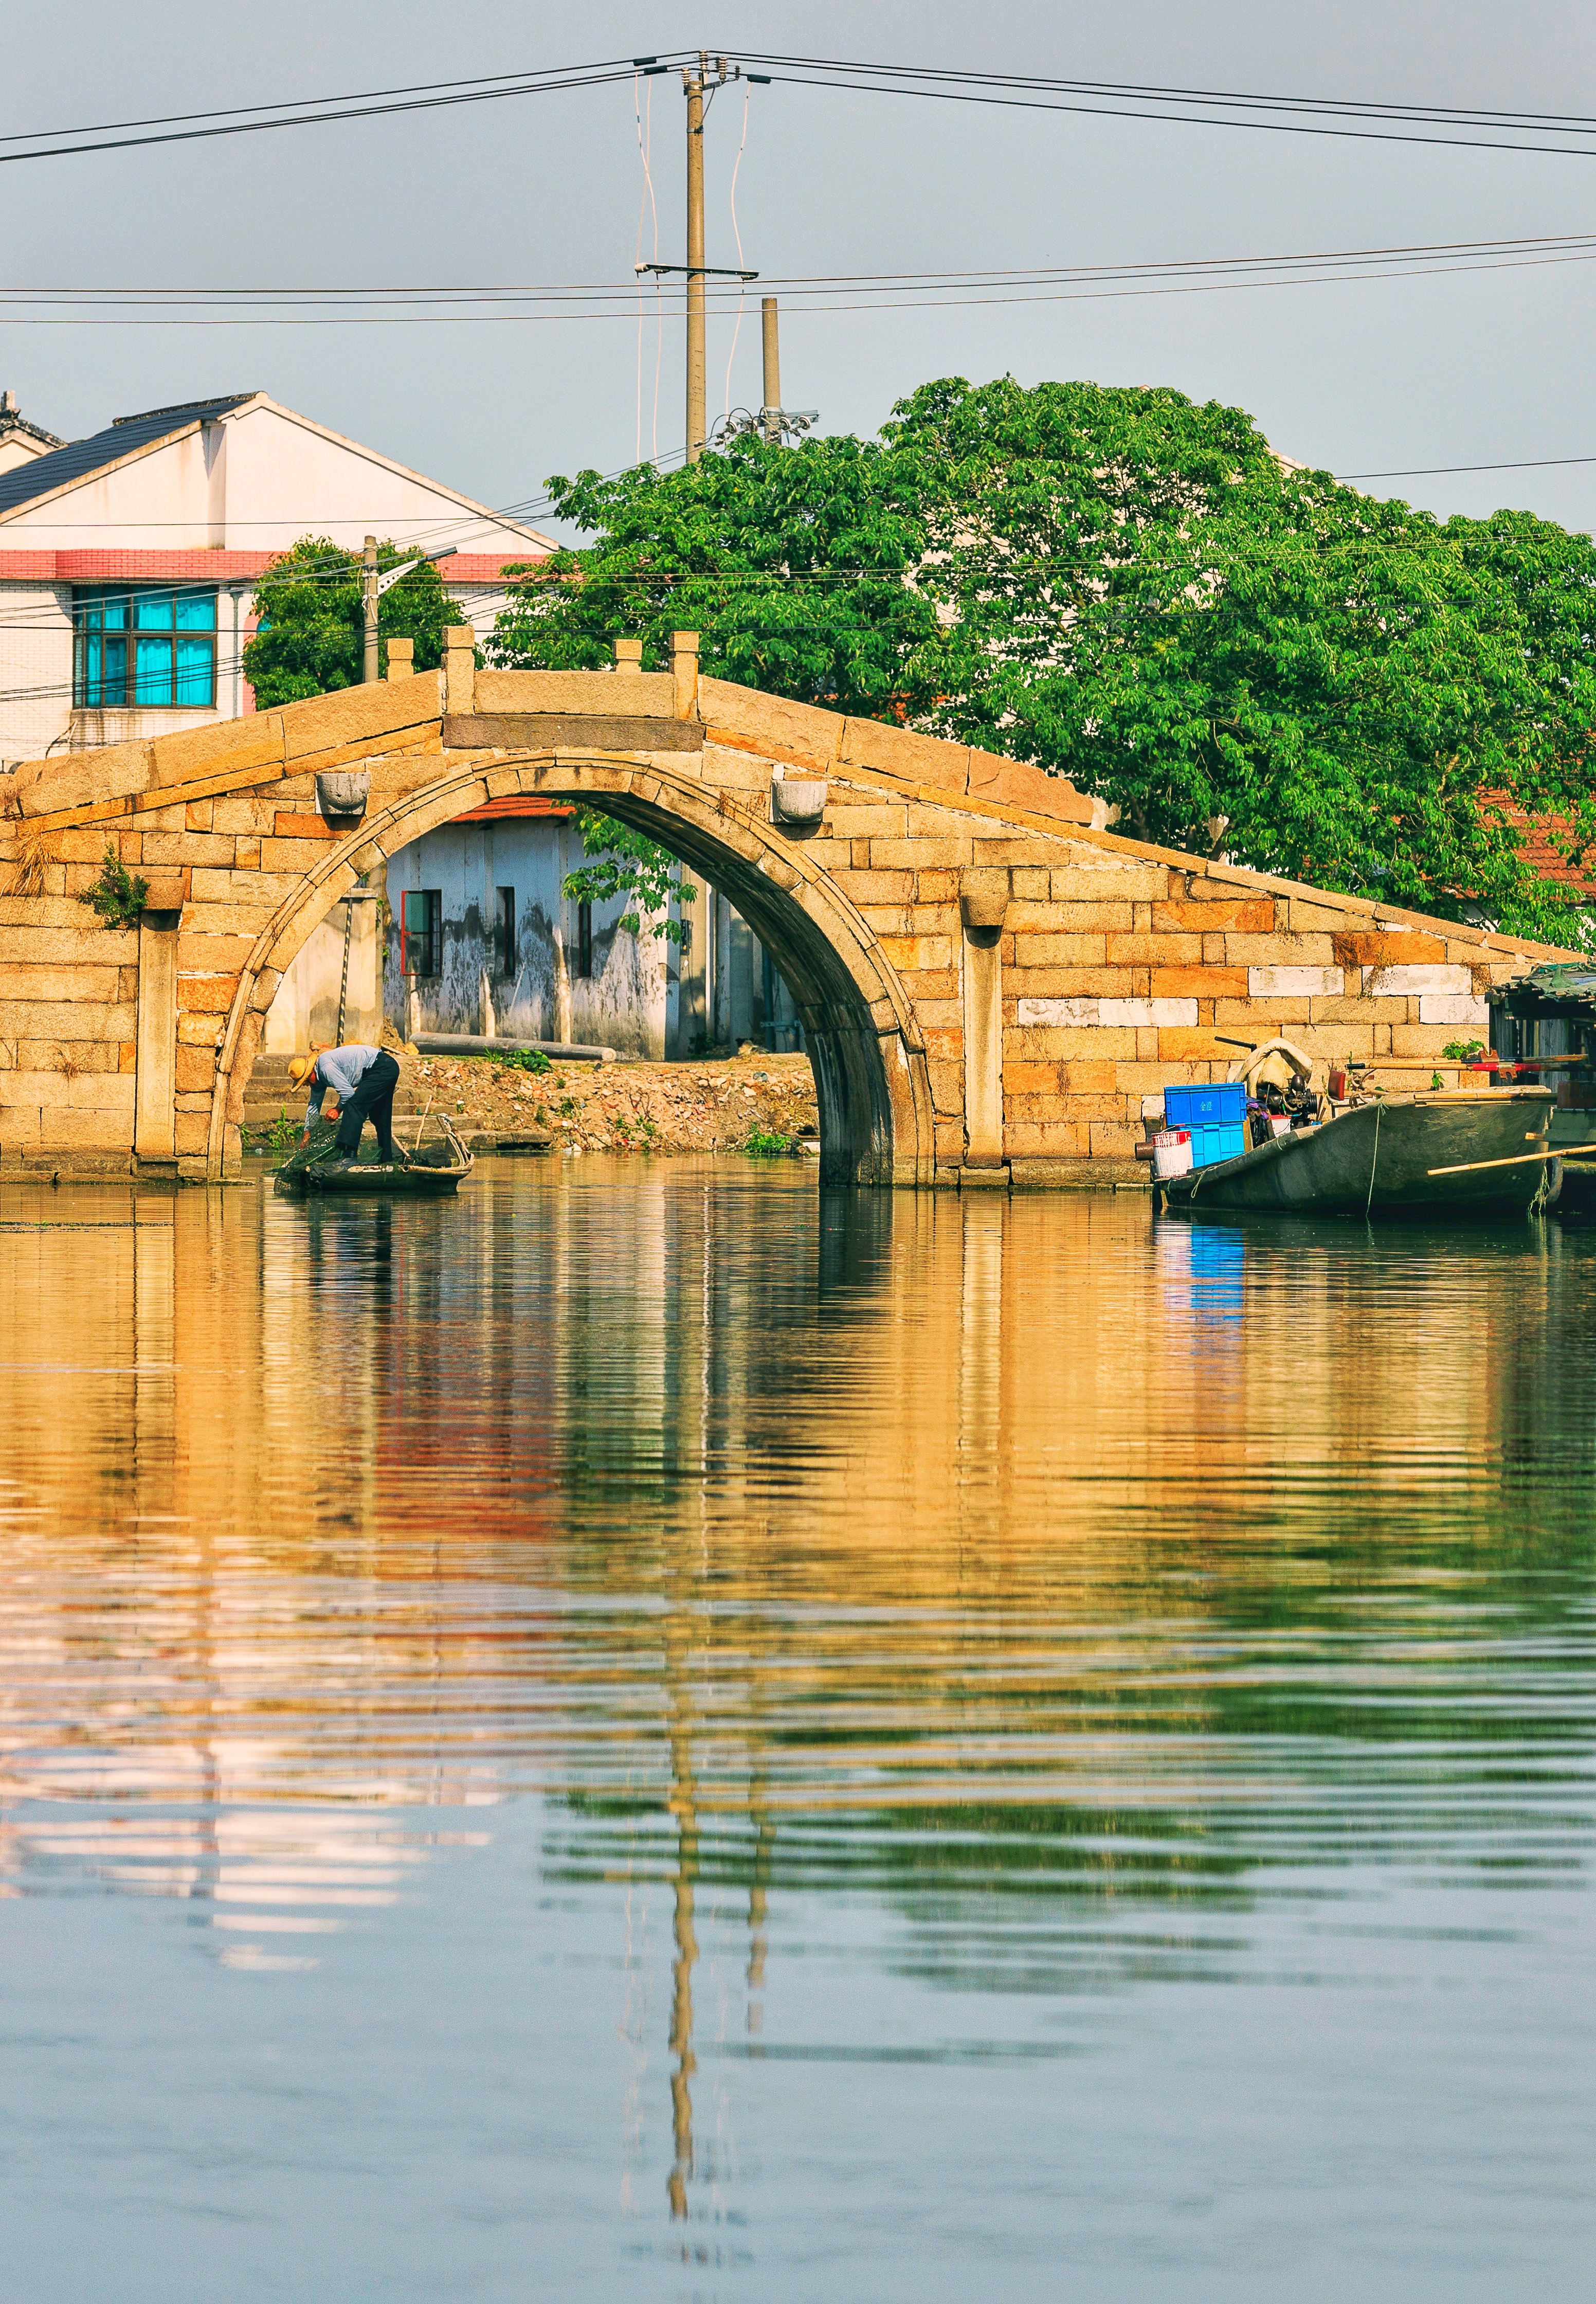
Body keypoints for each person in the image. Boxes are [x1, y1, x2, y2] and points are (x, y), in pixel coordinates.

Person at [287, 1043, 408, 1169]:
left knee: (353, 1107)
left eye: (305, 1082)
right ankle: (386, 1159)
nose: (306, 1085)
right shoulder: (317, 1081)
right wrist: (307, 1133)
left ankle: (349, 1157)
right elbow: (314, 1105)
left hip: (382, 1067)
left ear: (311, 1073)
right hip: (383, 1068)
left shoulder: (325, 1068)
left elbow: (348, 1094)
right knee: (379, 1115)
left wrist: (337, 1109)